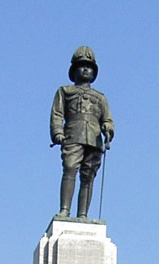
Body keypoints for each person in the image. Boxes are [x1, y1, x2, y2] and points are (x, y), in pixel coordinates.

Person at [50, 46, 114, 219]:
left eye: (89, 66)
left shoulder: (100, 97)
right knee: (70, 169)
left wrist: (108, 129)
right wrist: (58, 132)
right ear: (74, 69)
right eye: (82, 65)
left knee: (88, 176)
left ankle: (83, 214)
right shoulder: (65, 92)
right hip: (73, 135)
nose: (86, 69)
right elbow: (57, 114)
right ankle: (65, 210)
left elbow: (107, 119)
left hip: (94, 140)